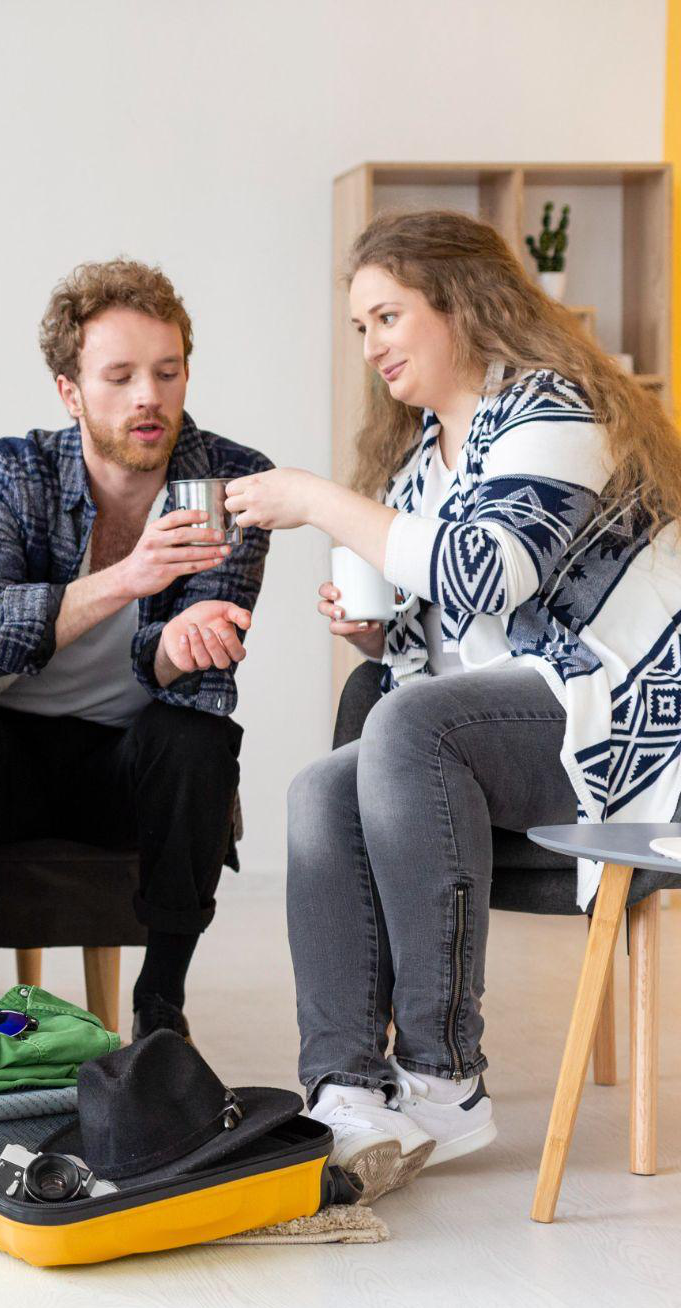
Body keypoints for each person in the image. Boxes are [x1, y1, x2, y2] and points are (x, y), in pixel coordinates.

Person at [226, 209, 681, 1201]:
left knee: (406, 723)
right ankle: (348, 1089)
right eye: (360, 327)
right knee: (320, 787)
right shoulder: (419, 462)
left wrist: (313, 498)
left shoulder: (552, 412)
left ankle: (443, 1076)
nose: (370, 346)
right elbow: (445, 652)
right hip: (509, 729)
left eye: (387, 317)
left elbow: (482, 573)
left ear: (462, 306)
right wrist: (373, 635)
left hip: (624, 714)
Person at [0, 259, 273, 1040]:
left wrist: (180, 648)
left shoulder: (230, 478)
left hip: (128, 761)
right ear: (71, 392)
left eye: (167, 372)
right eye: (119, 377)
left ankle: (161, 1003)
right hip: (8, 756)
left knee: (198, 736)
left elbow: (197, 682)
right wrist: (127, 578)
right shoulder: (15, 470)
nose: (149, 395)